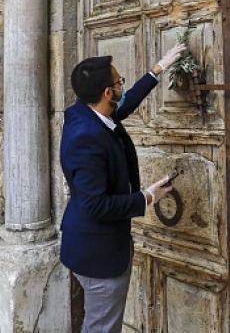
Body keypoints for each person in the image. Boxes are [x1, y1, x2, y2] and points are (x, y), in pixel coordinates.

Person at [59, 44, 187, 333]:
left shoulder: (84, 113)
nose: (121, 87)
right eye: (119, 83)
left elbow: (123, 105)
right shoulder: (87, 138)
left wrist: (157, 70)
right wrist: (147, 197)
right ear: (107, 93)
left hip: (90, 245)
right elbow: (95, 205)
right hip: (98, 253)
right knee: (103, 328)